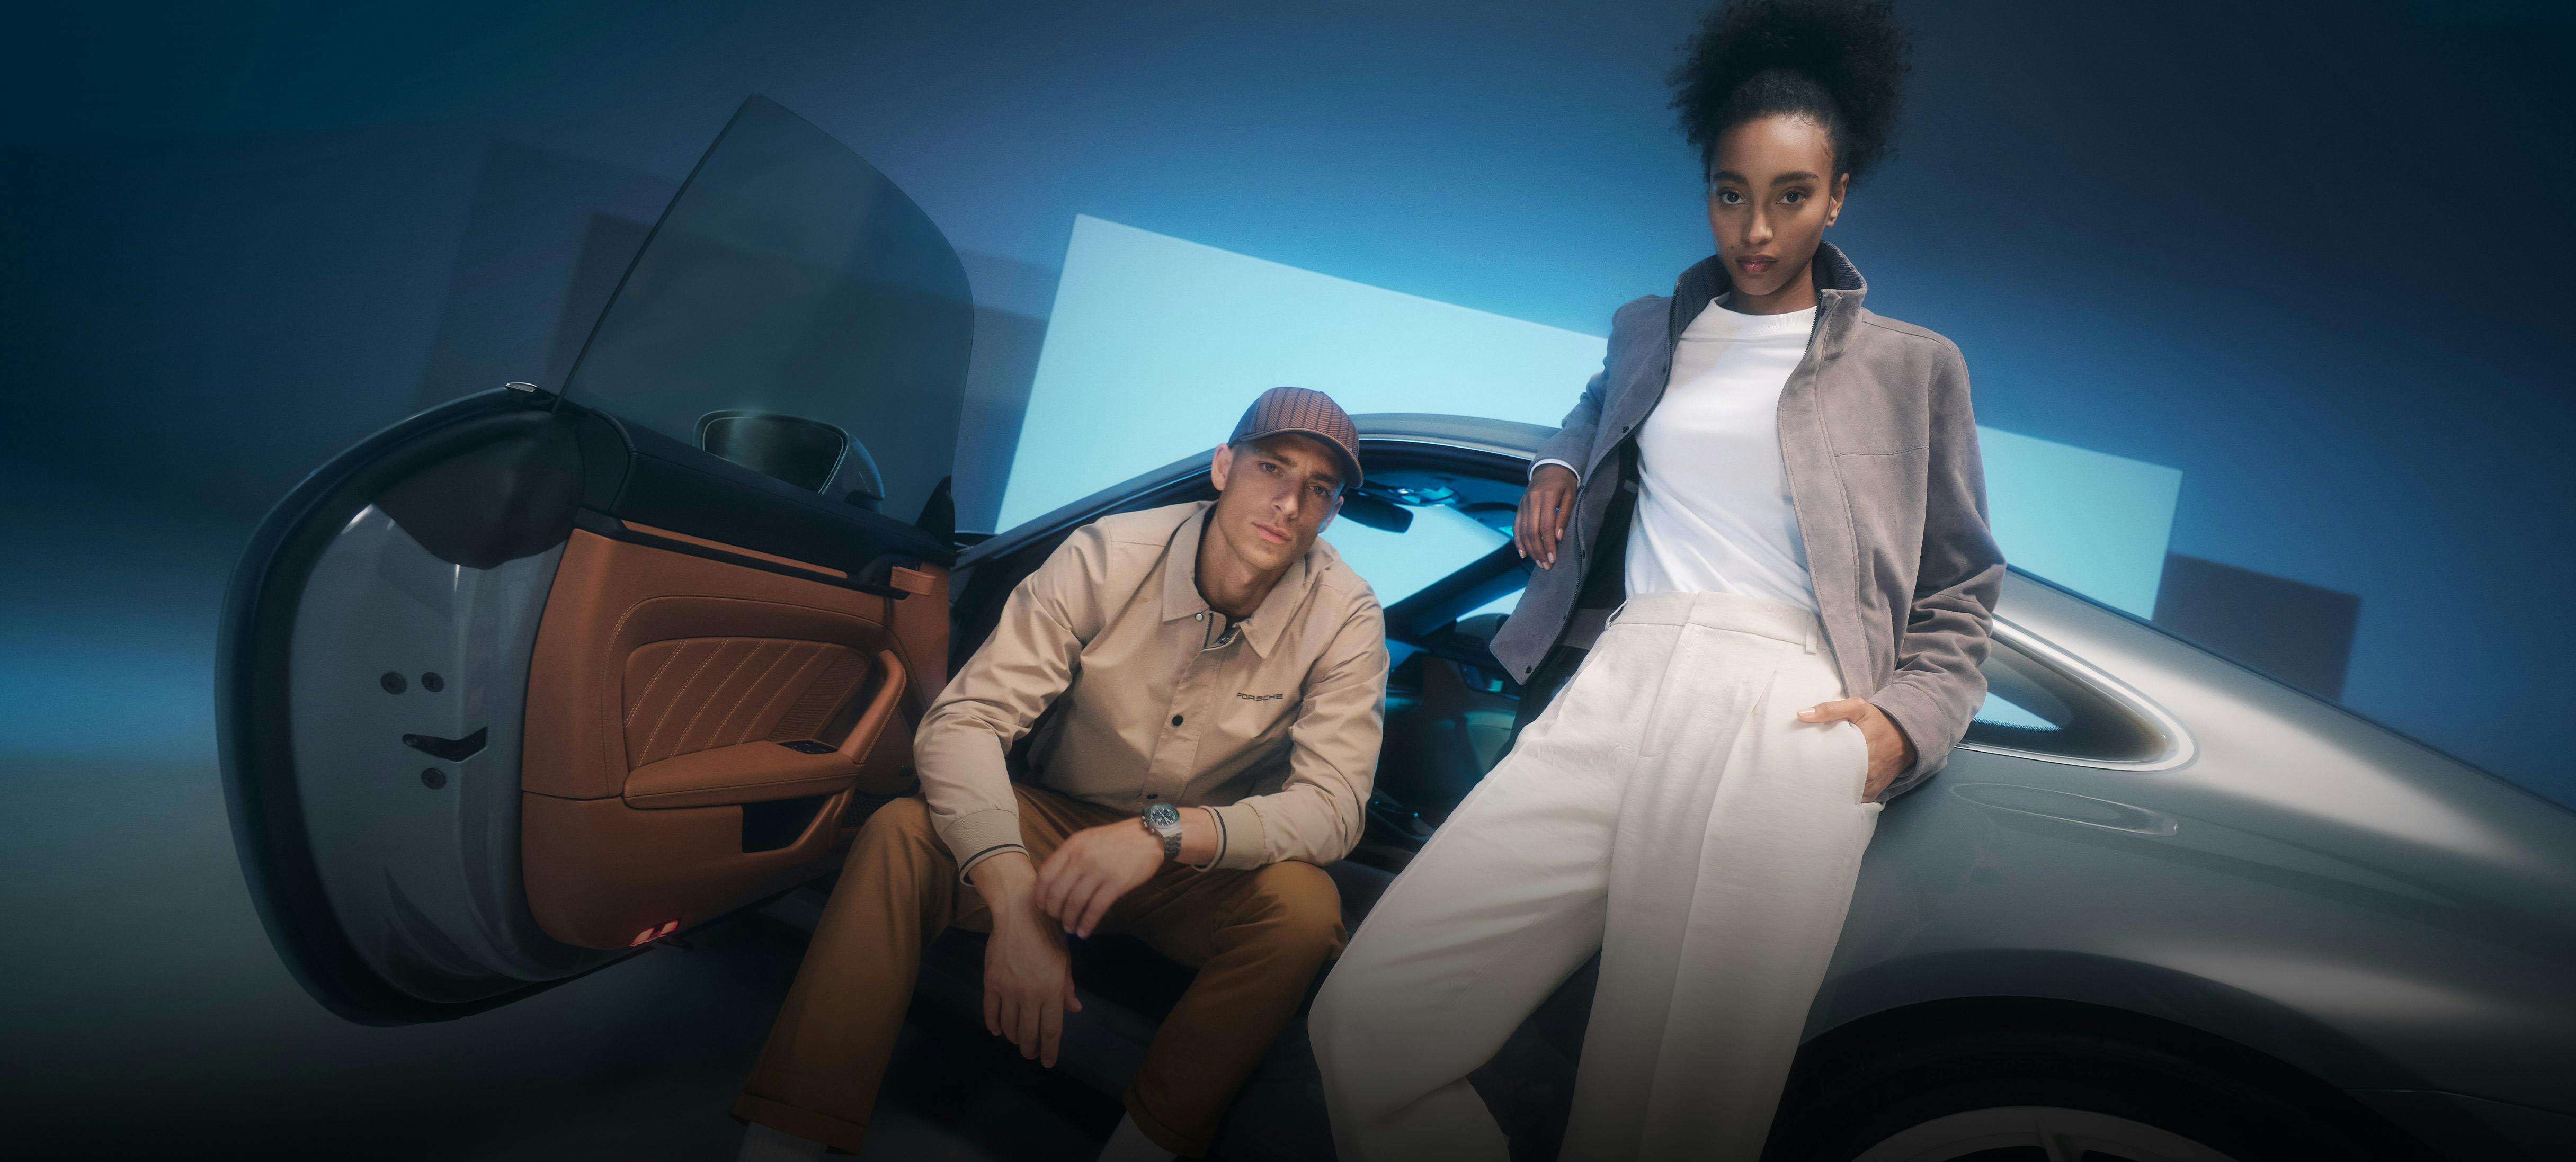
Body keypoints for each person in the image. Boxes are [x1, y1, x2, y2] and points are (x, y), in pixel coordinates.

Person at [1309, 2, 2003, 1159]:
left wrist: (1897, 727)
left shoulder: (1913, 367)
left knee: (1664, 1119)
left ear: (1838, 196)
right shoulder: (1652, 325)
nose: (1757, 225)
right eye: (1731, 190)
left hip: (1785, 710)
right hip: (1619, 681)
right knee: (1368, 1024)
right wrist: (1553, 455)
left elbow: (1961, 584)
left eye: (1791, 194)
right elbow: (1600, 406)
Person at [732, 387, 1392, 1161]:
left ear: (1332, 513)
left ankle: (1145, 1146)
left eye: (1318, 488)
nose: (1288, 502)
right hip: (1058, 825)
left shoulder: (1347, 615)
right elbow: (965, 720)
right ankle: (787, 1140)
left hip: (1193, 865)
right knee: (902, 832)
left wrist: (1165, 835)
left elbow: (1335, 806)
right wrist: (1013, 900)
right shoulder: (1109, 553)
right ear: (1222, 467)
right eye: (1271, 468)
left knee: (1305, 911)